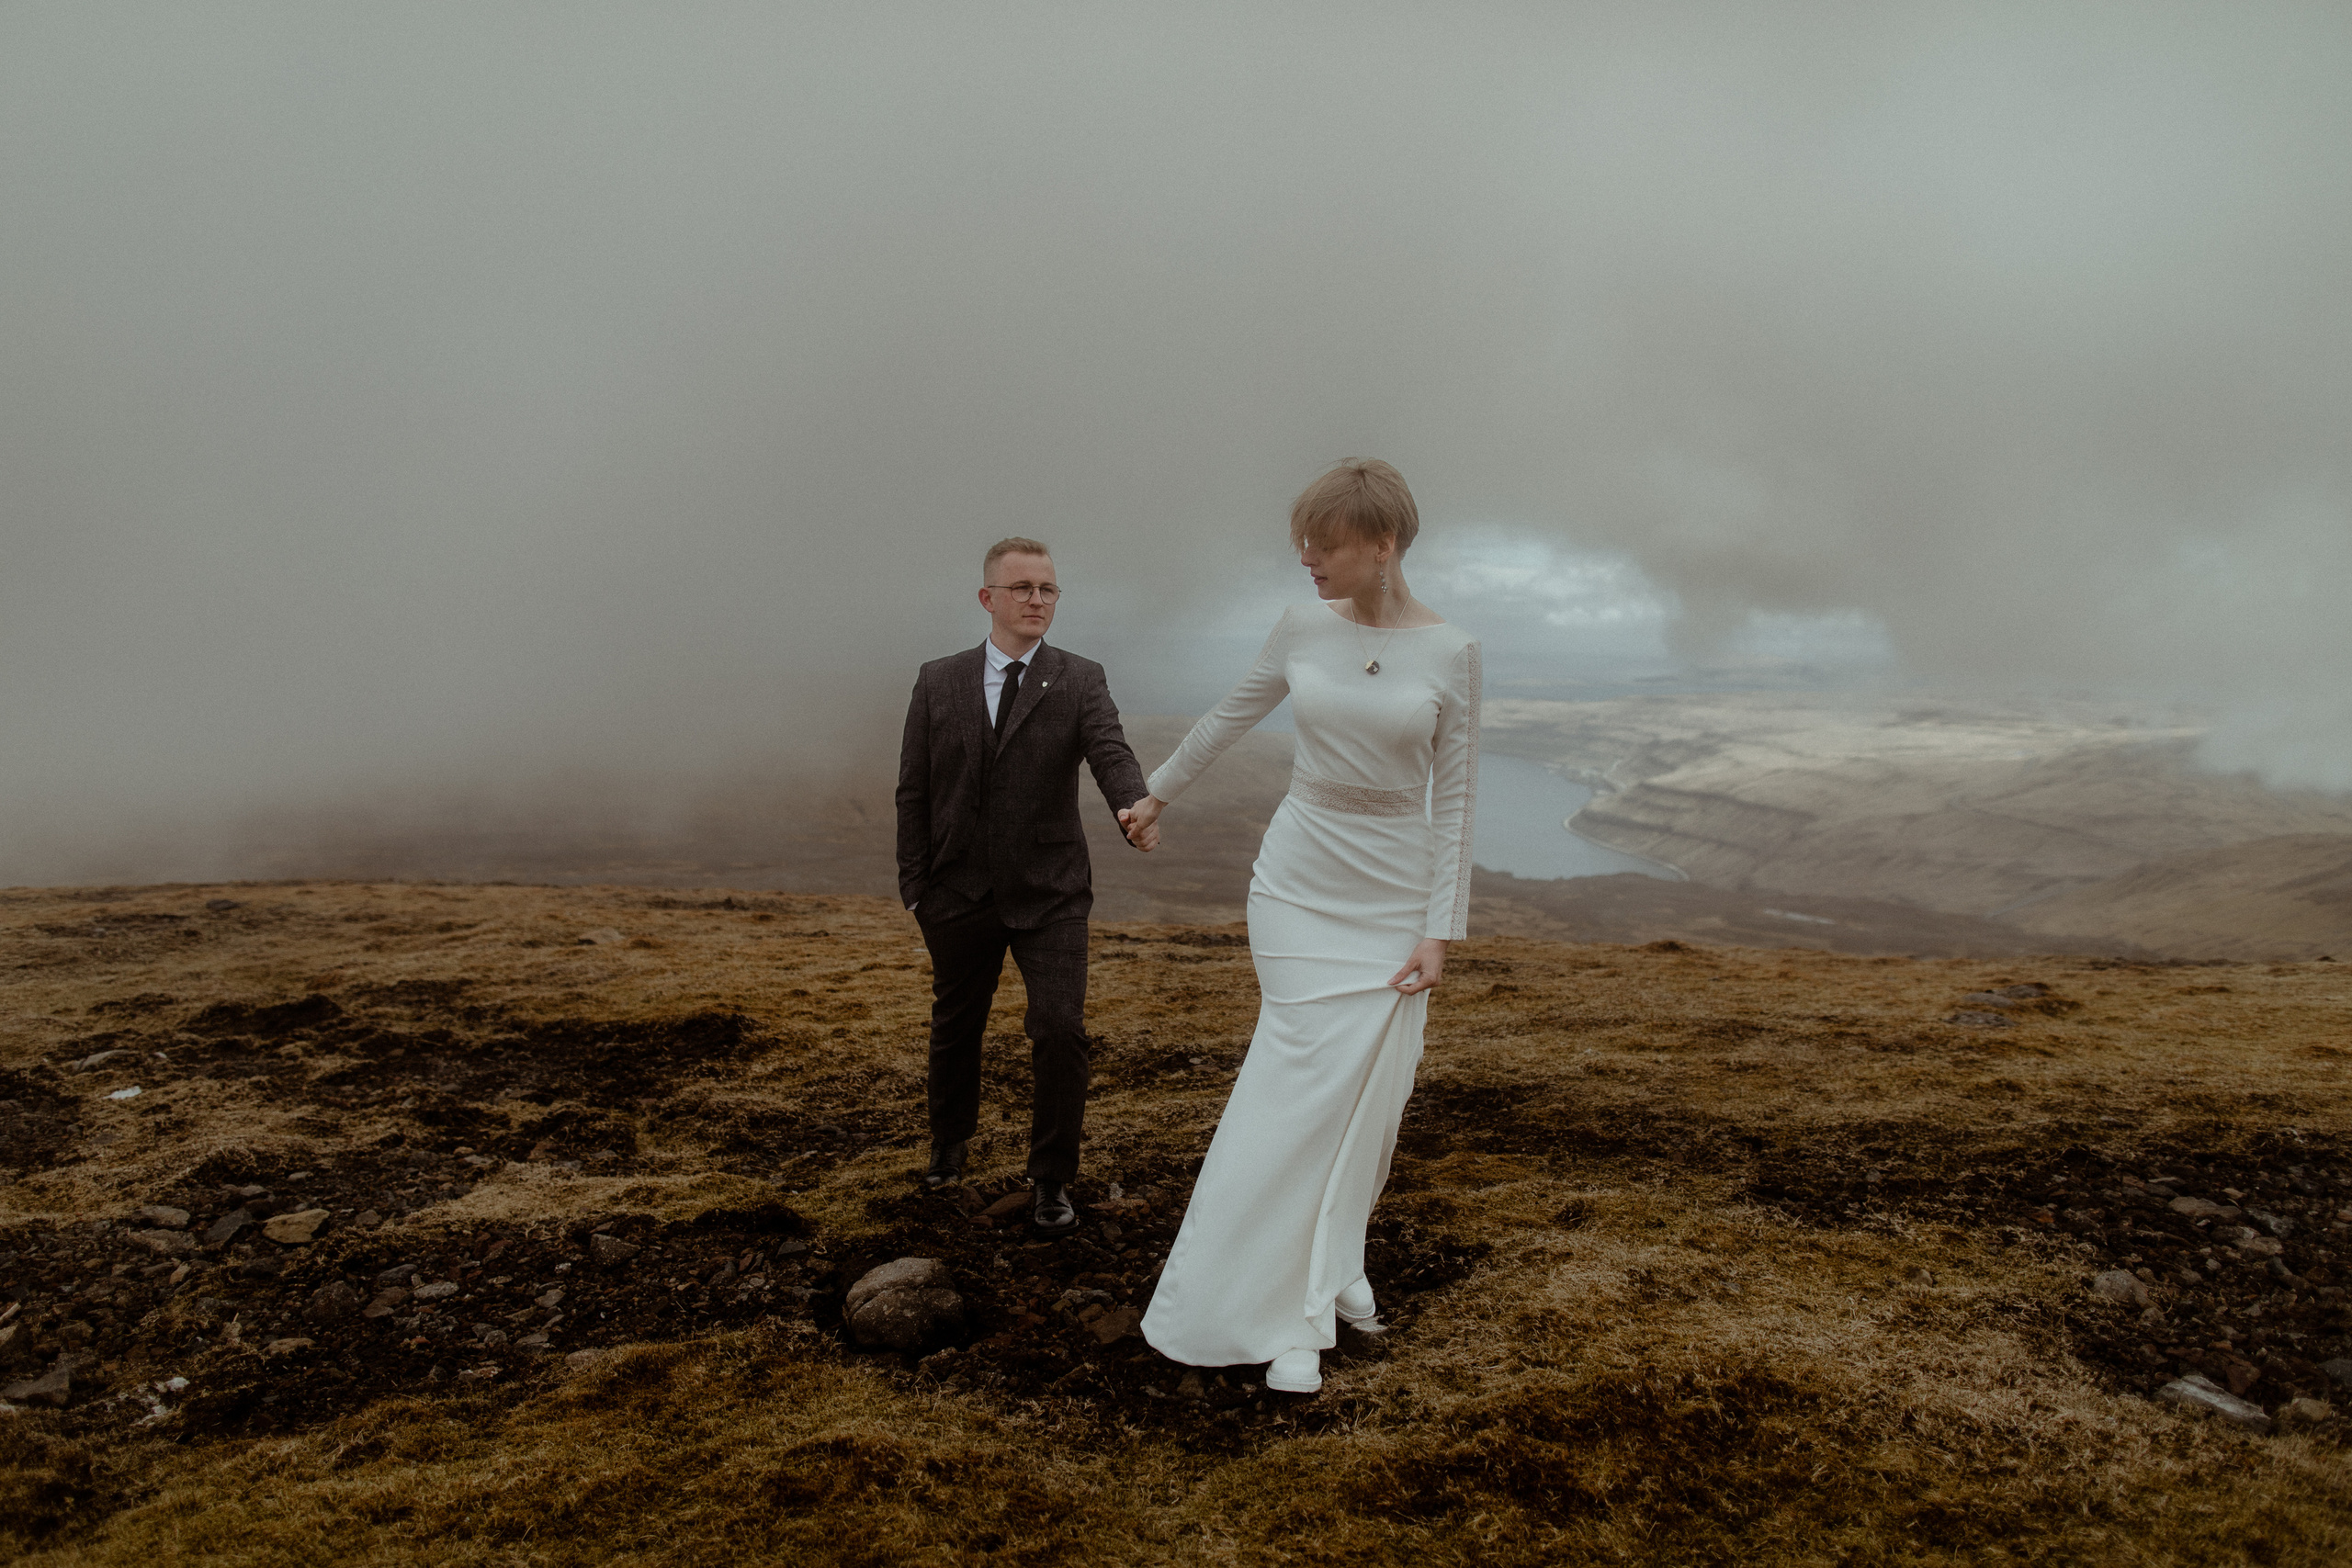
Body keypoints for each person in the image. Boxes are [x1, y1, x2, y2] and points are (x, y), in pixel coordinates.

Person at [1121, 459, 1478, 1394]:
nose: (1307, 560)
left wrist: (1438, 931)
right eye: (1303, 543)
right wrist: (1155, 795)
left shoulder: (1452, 653)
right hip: (1296, 889)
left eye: (1325, 545)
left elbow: (1455, 801)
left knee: (1365, 1098)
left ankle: (1332, 1267)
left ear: (1383, 545)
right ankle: (1275, 1312)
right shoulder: (1299, 625)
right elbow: (1226, 717)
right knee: (1293, 1089)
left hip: (1393, 903)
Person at [895, 536, 1159, 1236]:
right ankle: (948, 1146)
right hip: (956, 894)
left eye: (1047, 588)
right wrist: (916, 887)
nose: (1037, 599)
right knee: (957, 1024)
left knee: (1061, 1028)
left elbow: (1110, 752)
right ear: (988, 598)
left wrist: (1134, 806)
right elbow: (914, 789)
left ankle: (1051, 1179)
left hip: (1051, 892)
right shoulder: (937, 680)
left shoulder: (1080, 678)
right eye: (1022, 588)